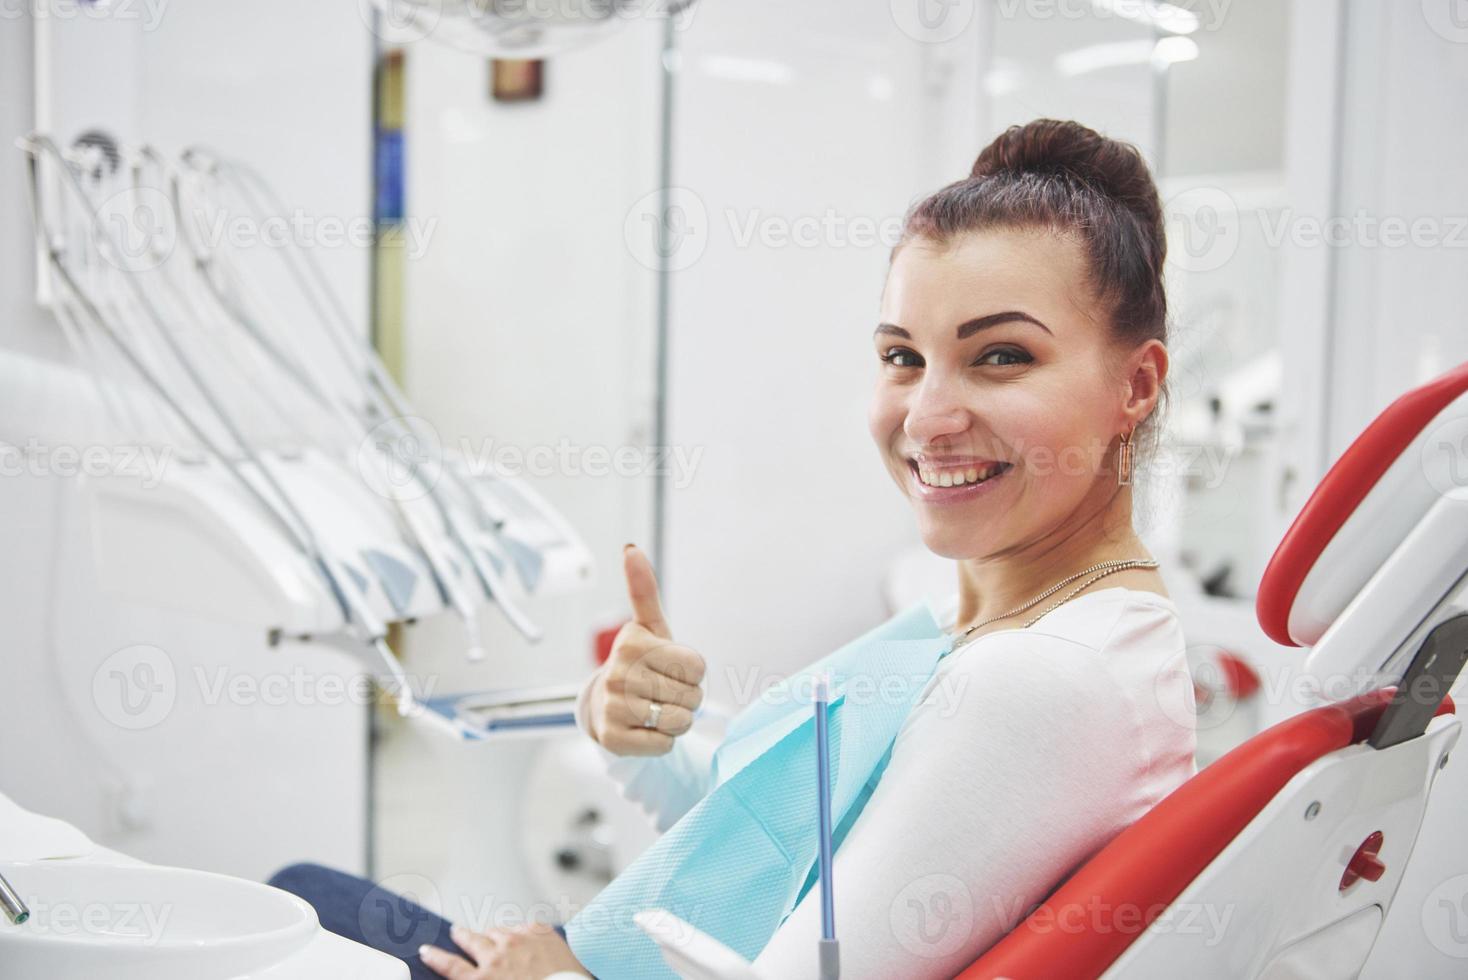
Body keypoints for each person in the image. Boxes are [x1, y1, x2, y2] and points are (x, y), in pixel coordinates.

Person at [267, 117, 1197, 979]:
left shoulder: (1041, 679)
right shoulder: (993, 619)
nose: (926, 417)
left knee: (291, 909)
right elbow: (773, 850)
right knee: (307, 892)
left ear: (1136, 384)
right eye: (902, 356)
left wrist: (551, 974)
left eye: (1001, 356)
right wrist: (633, 733)